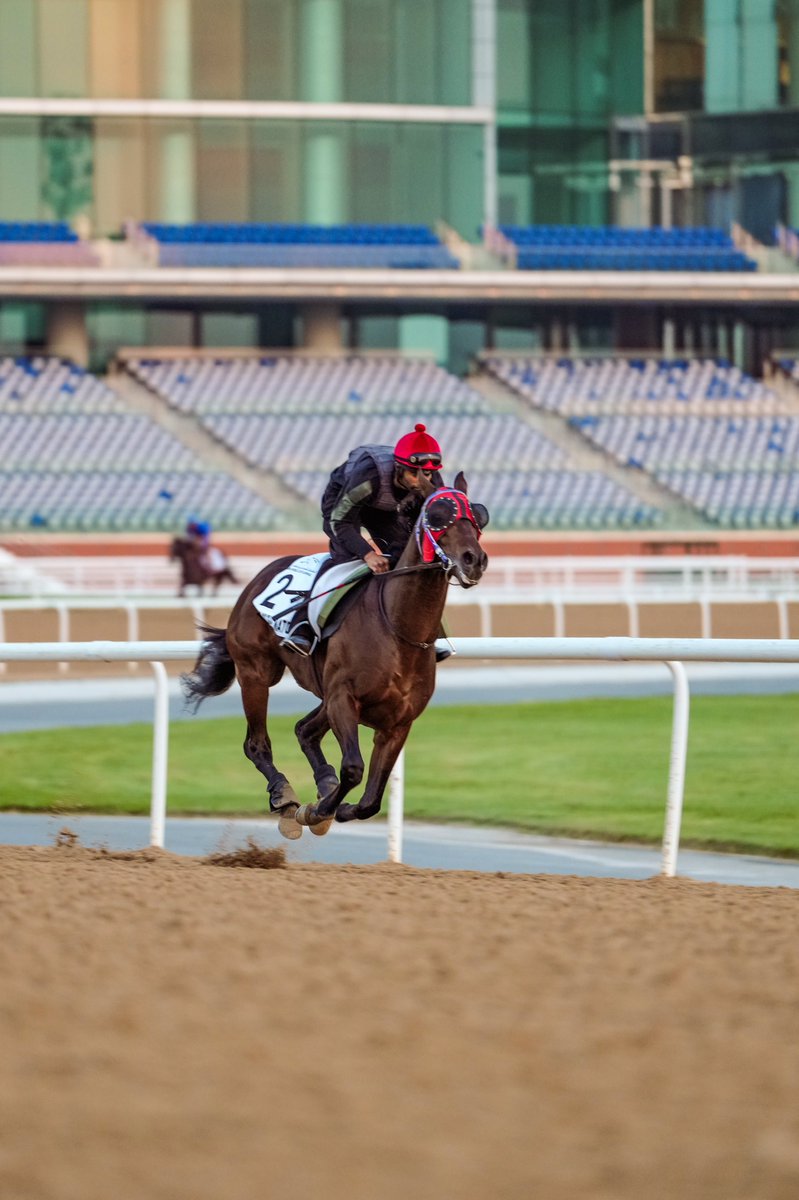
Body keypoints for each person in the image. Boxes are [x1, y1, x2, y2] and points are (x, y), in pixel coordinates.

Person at [283, 423, 451, 657]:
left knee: (409, 559)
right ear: (399, 467)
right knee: (347, 561)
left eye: (428, 474)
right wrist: (367, 554)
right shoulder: (368, 476)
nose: (419, 481)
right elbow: (339, 522)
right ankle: (301, 626)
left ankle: (429, 635)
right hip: (342, 508)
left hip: (385, 509)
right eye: (414, 474)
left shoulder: (429, 479)